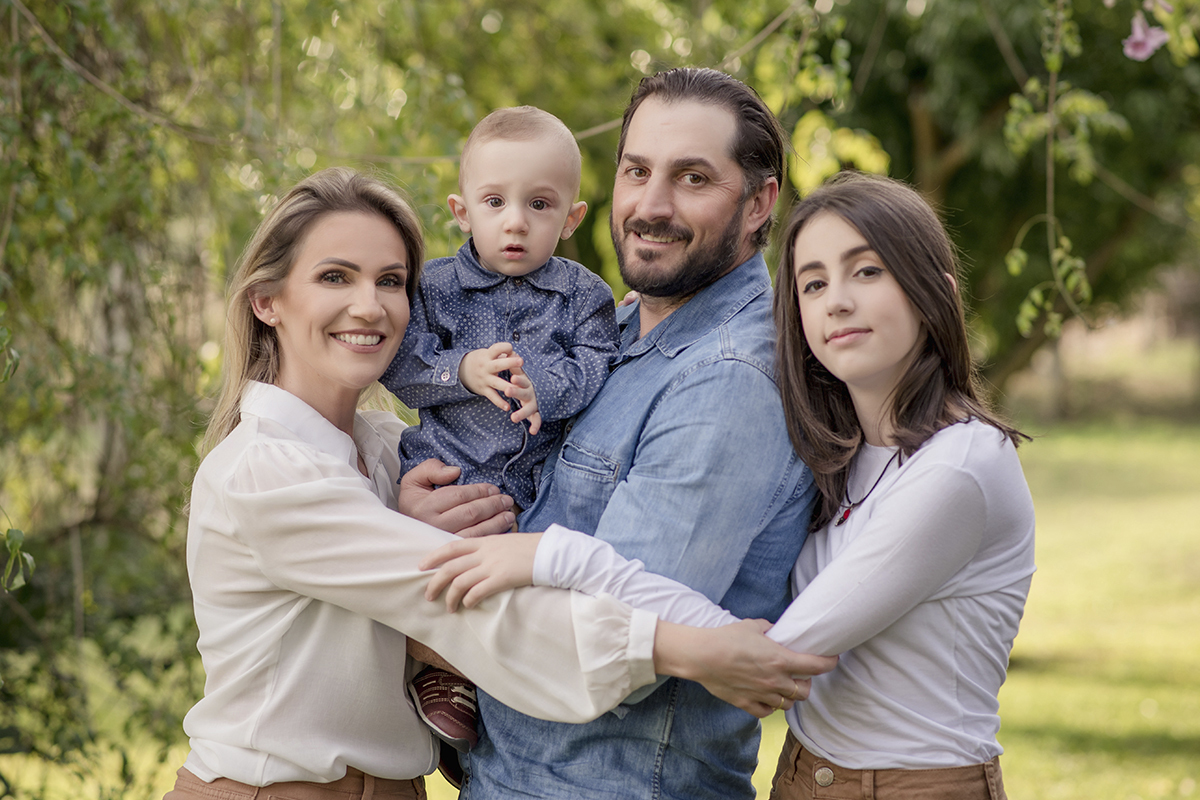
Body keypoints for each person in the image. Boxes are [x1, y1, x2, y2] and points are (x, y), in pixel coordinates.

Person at [164, 166, 834, 800]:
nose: (368, 307)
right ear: (267, 301)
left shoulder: (393, 454)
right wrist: (691, 648)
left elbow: (538, 460)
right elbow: (481, 615)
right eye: (335, 277)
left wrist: (614, 324)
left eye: (392, 281)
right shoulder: (267, 471)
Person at [424, 171, 1036, 800]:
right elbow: (723, 643)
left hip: (919, 785)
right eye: (814, 283)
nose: (838, 301)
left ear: (936, 290)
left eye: (867, 272)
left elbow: (771, 655)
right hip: (805, 777)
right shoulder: (842, 451)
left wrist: (551, 555)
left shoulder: (959, 466)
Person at [457, 68, 818, 800]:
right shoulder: (613, 333)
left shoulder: (732, 379)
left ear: (759, 203)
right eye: (637, 171)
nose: (651, 206)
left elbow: (608, 645)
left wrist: (423, 614)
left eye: (692, 178)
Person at [381, 106, 617, 513]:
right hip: (444, 481)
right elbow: (396, 363)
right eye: (494, 201)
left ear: (571, 219)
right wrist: (462, 371)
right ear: (463, 212)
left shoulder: (584, 294)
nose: (516, 222)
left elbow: (601, 363)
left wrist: (543, 388)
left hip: (541, 495)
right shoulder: (435, 287)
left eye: (539, 204)